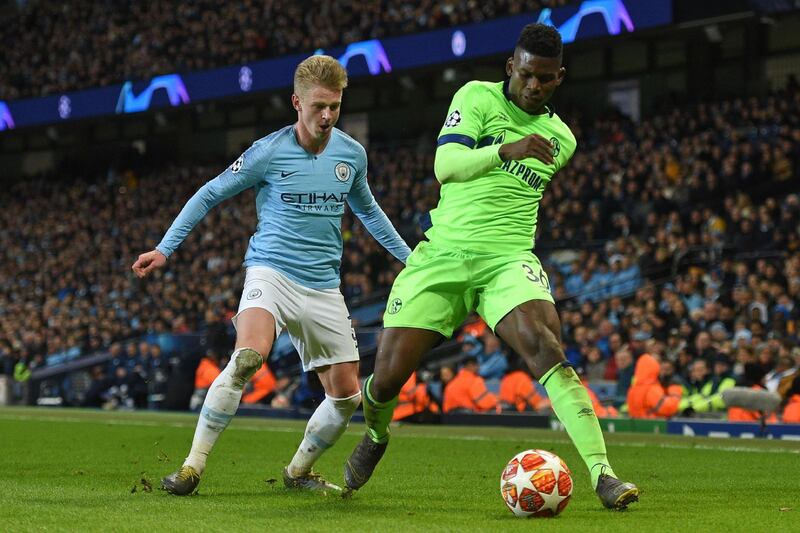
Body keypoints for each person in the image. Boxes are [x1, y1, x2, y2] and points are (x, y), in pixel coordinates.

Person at [343, 23, 639, 509]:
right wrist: (506, 148)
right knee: (390, 375)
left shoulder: (561, 139)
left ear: (559, 77)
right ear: (510, 68)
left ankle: (603, 475)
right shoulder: (476, 97)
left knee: (547, 350)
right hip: (443, 254)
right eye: (526, 74)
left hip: (508, 259)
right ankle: (375, 436)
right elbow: (446, 167)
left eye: (545, 78)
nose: (533, 85)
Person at [132, 55, 411, 495]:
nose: (327, 115)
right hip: (272, 271)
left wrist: (411, 259)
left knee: (346, 397)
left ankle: (297, 472)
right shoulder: (268, 151)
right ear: (296, 102)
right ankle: (191, 468)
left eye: (335, 107)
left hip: (323, 285)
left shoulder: (351, 155)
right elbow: (209, 194)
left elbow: (369, 212)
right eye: (319, 106)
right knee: (248, 358)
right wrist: (166, 248)